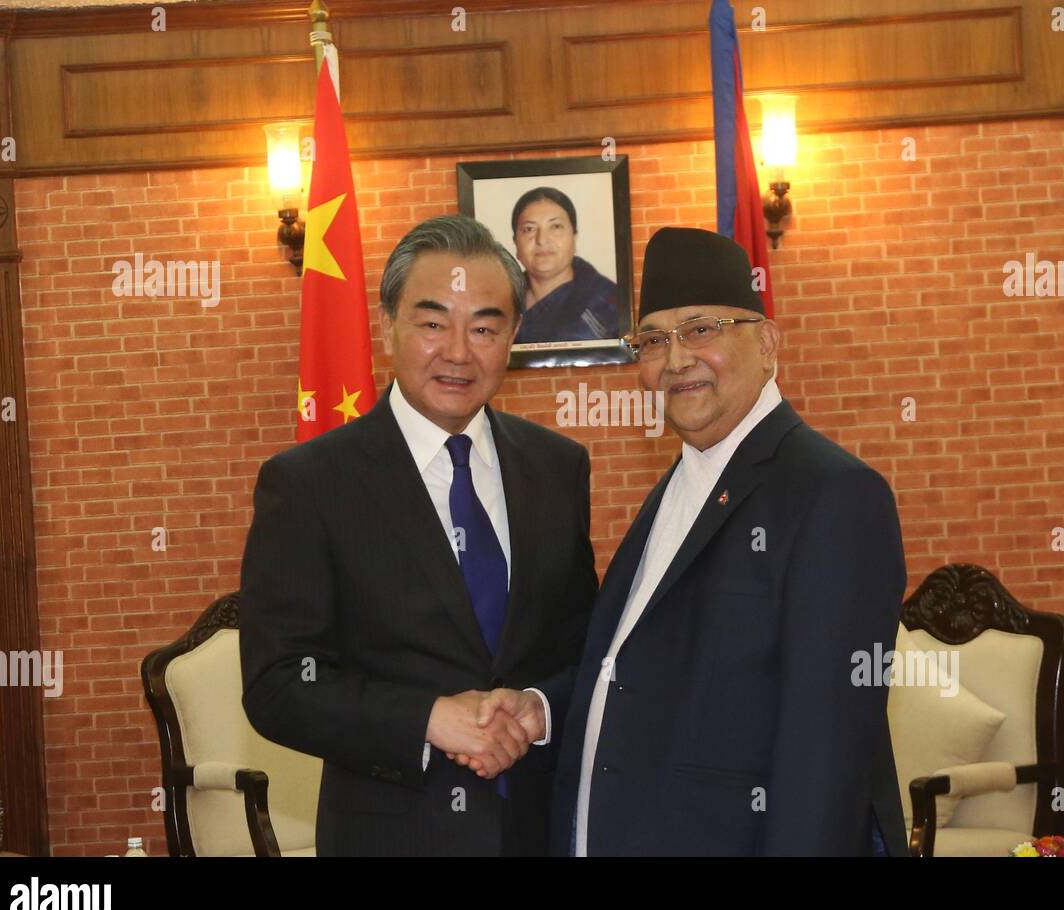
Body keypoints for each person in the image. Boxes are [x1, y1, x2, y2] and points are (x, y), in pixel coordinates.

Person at [239, 214, 597, 856]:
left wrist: (540, 706)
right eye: (433, 323)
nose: (459, 352)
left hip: (541, 832)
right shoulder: (311, 483)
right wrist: (430, 720)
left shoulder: (558, 467)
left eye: (484, 328)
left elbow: (587, 653)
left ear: (514, 334)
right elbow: (280, 684)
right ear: (389, 325)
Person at [550, 227, 910, 856]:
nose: (677, 359)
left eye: (701, 329)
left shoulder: (833, 495)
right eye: (654, 340)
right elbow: (622, 678)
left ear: (767, 343)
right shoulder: (672, 490)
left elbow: (825, 751)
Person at [510, 186, 618, 343]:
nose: (542, 239)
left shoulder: (607, 303)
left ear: (574, 237)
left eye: (555, 226)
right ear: (516, 243)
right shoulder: (503, 300)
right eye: (529, 229)